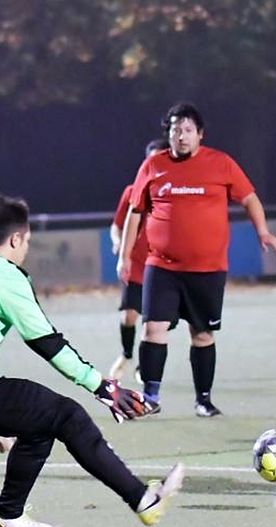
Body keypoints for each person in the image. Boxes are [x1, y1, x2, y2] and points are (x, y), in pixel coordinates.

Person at [0, 194, 184, 527]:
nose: (26, 247)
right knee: (66, 414)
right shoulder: (7, 277)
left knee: (40, 423)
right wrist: (102, 387)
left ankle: (9, 514)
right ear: (15, 239)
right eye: (26, 240)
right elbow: (46, 341)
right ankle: (144, 500)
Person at [117, 102, 276, 418]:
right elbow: (135, 212)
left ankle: (203, 400)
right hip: (161, 266)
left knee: (202, 334)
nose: (181, 136)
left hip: (207, 269)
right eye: (175, 129)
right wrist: (125, 256)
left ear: (200, 135)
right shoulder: (153, 166)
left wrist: (263, 232)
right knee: (153, 328)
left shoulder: (220, 164)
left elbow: (248, 197)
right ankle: (150, 396)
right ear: (169, 133)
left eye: (188, 130)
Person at [109, 138, 171, 384]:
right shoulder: (132, 191)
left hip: (161, 265)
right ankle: (126, 354)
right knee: (128, 316)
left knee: (155, 322)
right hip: (135, 264)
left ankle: (145, 366)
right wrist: (118, 243)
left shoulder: (172, 192)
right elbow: (116, 225)